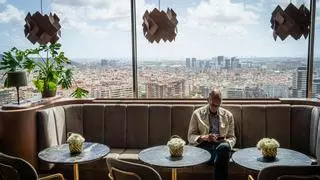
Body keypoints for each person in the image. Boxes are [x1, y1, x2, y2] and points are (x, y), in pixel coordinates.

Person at [188, 88, 236, 180]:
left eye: (218, 105)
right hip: (204, 147)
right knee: (222, 158)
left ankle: (217, 159)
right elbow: (190, 136)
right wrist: (204, 137)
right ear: (208, 100)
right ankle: (217, 160)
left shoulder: (228, 115)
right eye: (213, 104)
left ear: (221, 102)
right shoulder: (197, 114)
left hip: (221, 148)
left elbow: (232, 138)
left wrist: (225, 140)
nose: (215, 107)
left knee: (224, 148)